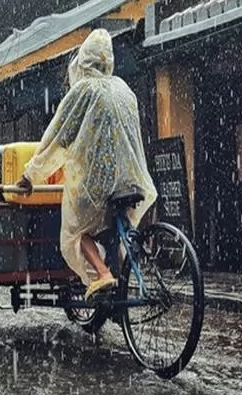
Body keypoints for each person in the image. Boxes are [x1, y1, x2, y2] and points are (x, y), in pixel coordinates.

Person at [16, 29, 157, 300]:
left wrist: (31, 174)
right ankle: (120, 282)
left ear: (83, 60)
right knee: (116, 227)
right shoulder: (124, 89)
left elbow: (58, 136)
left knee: (77, 232)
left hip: (97, 183)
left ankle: (103, 274)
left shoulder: (84, 90)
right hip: (131, 178)